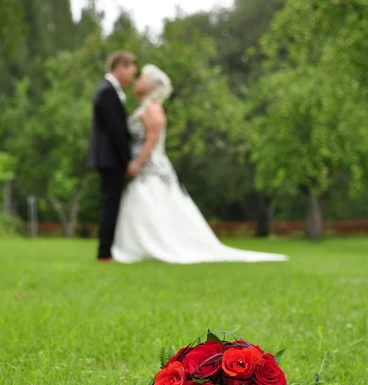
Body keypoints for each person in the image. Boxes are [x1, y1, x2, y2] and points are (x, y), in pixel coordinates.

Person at [111, 65, 288, 264]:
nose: (137, 81)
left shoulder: (153, 109)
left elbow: (152, 139)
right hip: (145, 168)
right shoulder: (144, 108)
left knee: (152, 204)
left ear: (151, 86)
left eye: (141, 78)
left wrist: (137, 163)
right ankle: (141, 247)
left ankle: (158, 246)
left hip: (152, 168)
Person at [87, 51, 137, 262]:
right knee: (110, 204)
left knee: (111, 204)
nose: (132, 76)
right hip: (110, 159)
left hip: (110, 158)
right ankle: (104, 252)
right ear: (119, 67)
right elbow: (115, 131)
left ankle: (107, 250)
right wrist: (127, 159)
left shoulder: (110, 91)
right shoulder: (107, 92)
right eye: (131, 70)